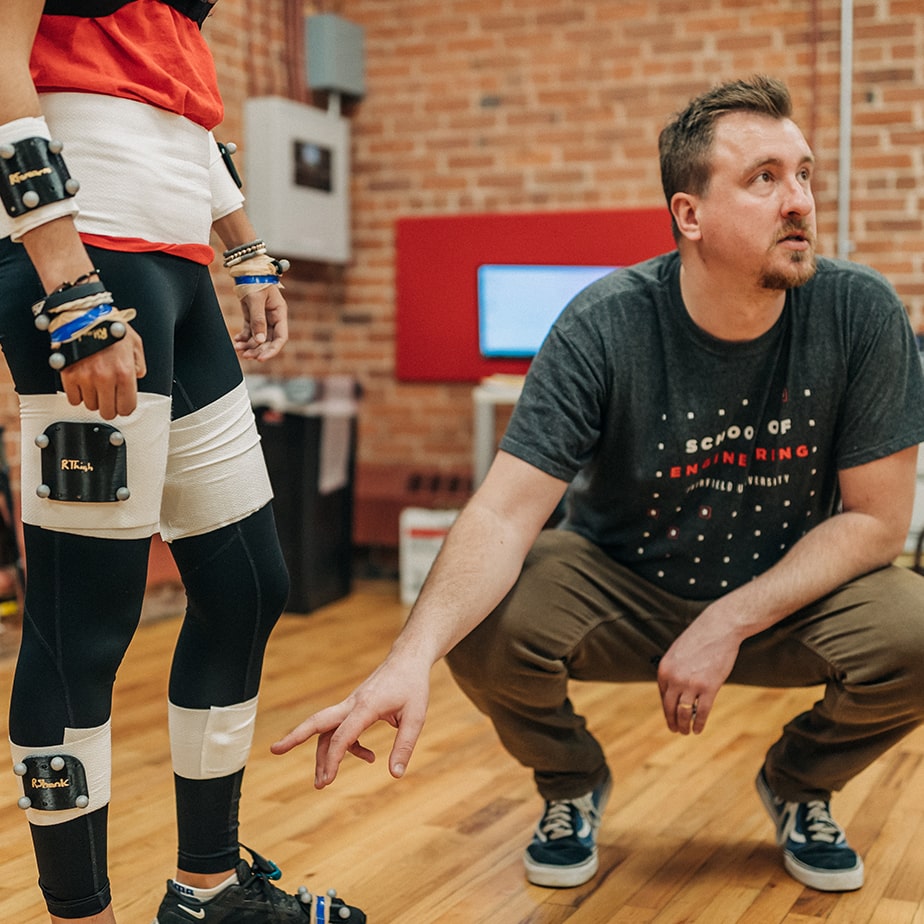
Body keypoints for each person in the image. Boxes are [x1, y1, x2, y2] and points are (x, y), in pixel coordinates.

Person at [273, 74, 924, 895]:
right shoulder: (604, 322)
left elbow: (877, 521)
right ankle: (571, 781)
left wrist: (727, 621)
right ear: (688, 215)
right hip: (624, 587)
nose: (798, 200)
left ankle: (800, 782)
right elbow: (505, 512)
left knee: (917, 632)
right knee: (482, 619)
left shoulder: (860, 313)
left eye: (803, 175)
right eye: (764, 178)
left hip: (780, 597)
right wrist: (408, 658)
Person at [0, 2, 366, 922]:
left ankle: (208, 891)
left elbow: (176, 84)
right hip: (89, 258)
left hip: (176, 259)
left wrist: (241, 242)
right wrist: (69, 286)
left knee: (248, 582)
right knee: (79, 624)